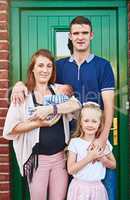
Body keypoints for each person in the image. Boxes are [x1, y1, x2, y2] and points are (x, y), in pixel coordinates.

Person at [11, 16, 116, 199]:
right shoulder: (59, 66)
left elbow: (108, 106)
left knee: (99, 189)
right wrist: (19, 85)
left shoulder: (103, 65)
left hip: (95, 138)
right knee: (73, 191)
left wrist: (102, 138)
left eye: (84, 33)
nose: (80, 37)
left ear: (91, 35)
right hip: (67, 143)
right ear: (70, 36)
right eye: (76, 33)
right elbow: (40, 80)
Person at [3, 49, 81, 200]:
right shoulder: (22, 95)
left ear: (52, 70)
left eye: (48, 66)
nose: (44, 70)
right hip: (37, 162)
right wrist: (38, 123)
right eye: (40, 66)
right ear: (33, 69)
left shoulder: (58, 91)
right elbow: (11, 129)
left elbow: (76, 105)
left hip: (61, 160)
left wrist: (52, 108)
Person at [67, 102, 116, 200]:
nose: (90, 124)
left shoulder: (103, 143)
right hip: (78, 188)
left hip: (97, 189)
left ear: (99, 124)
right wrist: (90, 157)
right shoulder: (75, 142)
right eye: (86, 121)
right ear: (81, 122)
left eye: (94, 121)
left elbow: (113, 165)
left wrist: (102, 159)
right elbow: (71, 169)